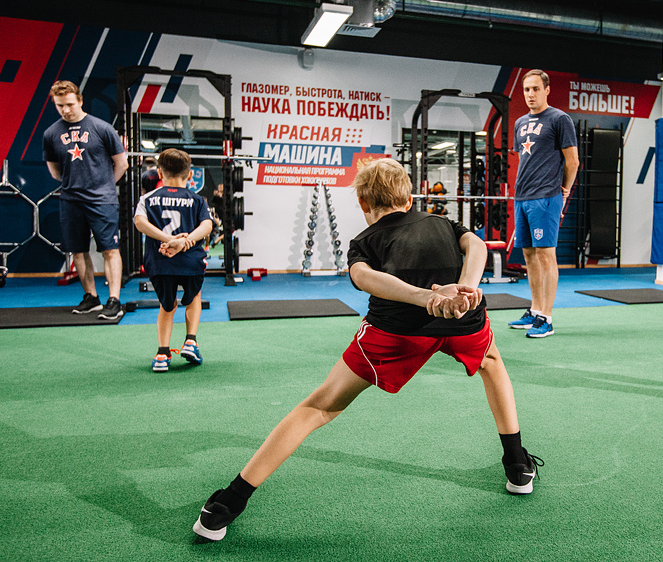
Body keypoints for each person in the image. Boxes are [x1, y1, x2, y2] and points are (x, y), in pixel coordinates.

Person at [192, 159, 541, 542]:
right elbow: (473, 242)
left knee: (319, 407)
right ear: (408, 197)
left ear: (362, 202)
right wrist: (459, 291)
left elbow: (364, 277)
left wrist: (449, 293)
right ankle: (518, 466)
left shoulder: (363, 241)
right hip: (463, 324)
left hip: (395, 334)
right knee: (491, 362)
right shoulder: (441, 223)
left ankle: (226, 506)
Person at [43, 80, 128, 319]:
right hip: (70, 200)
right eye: (60, 106)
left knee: (110, 249)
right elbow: (54, 170)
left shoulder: (102, 128)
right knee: (78, 251)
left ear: (80, 100)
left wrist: (103, 186)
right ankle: (91, 298)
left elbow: (122, 163)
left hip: (102, 200)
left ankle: (114, 300)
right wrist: (74, 183)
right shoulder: (51, 134)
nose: (65, 110)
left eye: (69, 104)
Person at [508, 69, 579, 338]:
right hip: (523, 197)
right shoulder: (520, 123)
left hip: (546, 196)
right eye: (527, 89)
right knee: (529, 255)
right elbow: (527, 159)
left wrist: (564, 191)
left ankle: (546, 318)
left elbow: (572, 162)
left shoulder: (560, 119)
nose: (530, 94)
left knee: (546, 255)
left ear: (547, 90)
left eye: (536, 89)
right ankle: (535, 310)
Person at [133, 149, 213, 373]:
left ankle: (162, 354)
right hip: (190, 261)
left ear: (159, 173)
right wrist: (184, 242)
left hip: (160, 262)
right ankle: (190, 341)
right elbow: (207, 226)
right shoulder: (197, 200)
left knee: (167, 306)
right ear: (189, 175)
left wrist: (168, 240)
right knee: (194, 296)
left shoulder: (146, 199)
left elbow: (140, 223)